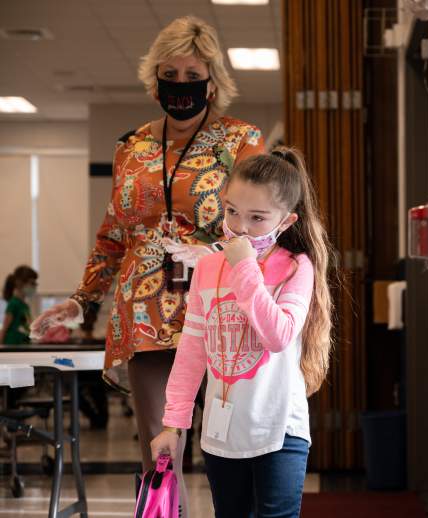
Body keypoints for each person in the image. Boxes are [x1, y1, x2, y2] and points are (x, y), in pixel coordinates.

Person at [29, 16, 265, 516]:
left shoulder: (240, 141)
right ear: (153, 77)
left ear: (213, 80)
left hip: (219, 309)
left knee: (233, 447)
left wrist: (219, 254)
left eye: (192, 74)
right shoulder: (131, 147)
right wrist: (79, 300)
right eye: (170, 74)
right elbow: (114, 234)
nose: (181, 86)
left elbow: (259, 229)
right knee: (159, 451)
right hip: (145, 317)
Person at [150, 149, 333, 518]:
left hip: (280, 430)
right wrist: (174, 423)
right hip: (222, 434)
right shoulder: (207, 269)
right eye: (232, 211)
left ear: (286, 220)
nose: (240, 228)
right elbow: (192, 351)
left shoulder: (296, 266)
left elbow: (278, 335)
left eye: (257, 218)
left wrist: (245, 267)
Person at [1, 266, 38, 345]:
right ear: (19, 283)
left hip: (22, 345)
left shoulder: (25, 306)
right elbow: (4, 328)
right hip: (12, 346)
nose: (35, 286)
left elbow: (27, 326)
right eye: (32, 283)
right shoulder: (13, 304)